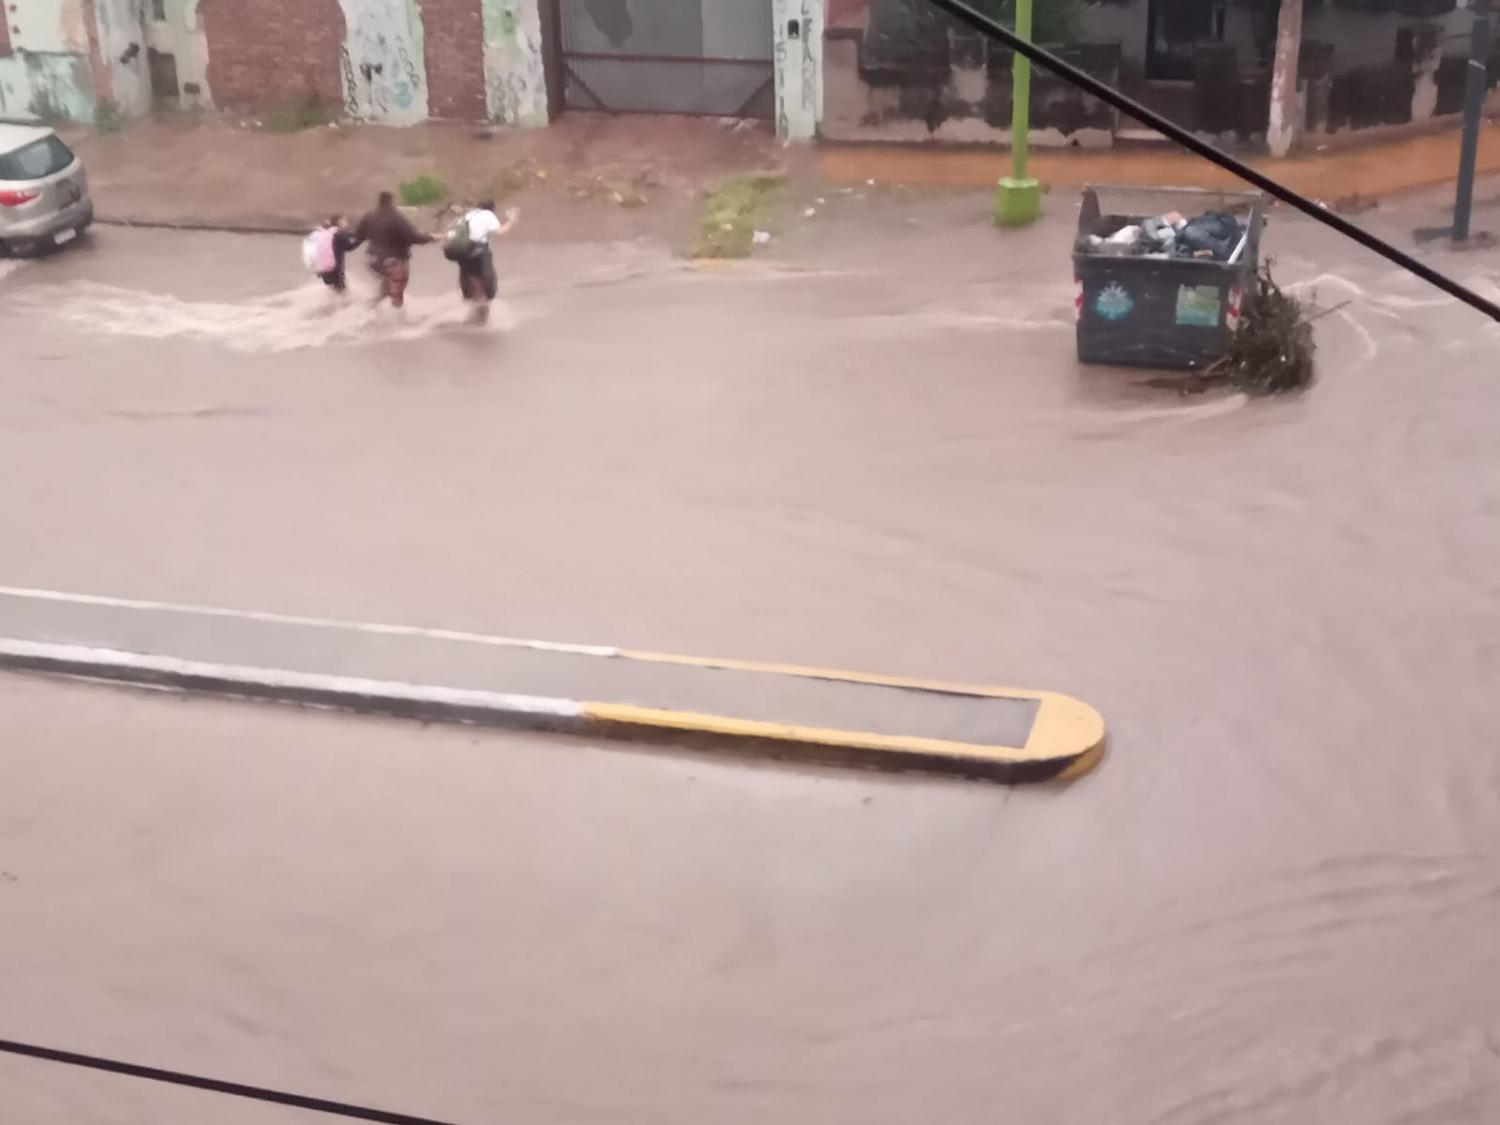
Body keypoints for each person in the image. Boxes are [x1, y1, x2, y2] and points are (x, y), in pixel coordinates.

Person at [353, 191, 432, 310]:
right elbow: (413, 237)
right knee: (397, 289)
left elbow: (358, 237)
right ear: (391, 201)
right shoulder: (396, 217)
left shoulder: (369, 216)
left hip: (372, 259)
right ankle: (397, 319)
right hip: (393, 260)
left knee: (386, 285)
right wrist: (430, 238)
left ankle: (369, 311)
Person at [453, 199, 517, 324]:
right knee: (486, 286)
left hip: (462, 253)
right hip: (478, 252)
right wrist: (511, 220)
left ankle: (472, 309)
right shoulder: (487, 215)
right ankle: (479, 319)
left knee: (473, 282)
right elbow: (501, 231)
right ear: (492, 209)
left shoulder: (469, 215)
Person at [315, 214, 361, 296]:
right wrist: (360, 239)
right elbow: (349, 247)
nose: (346, 223)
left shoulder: (326, 233)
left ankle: (329, 306)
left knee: (333, 291)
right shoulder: (340, 234)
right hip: (335, 269)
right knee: (342, 292)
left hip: (324, 269)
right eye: (344, 220)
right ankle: (339, 307)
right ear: (339, 222)